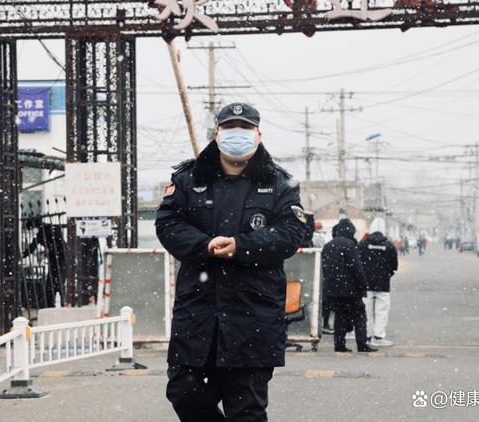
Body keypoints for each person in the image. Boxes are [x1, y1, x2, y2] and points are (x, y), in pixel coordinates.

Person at [156, 102, 307, 421]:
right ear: (217, 133)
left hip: (252, 316)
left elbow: (293, 232)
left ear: (258, 135)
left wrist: (241, 247)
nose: (237, 134)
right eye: (229, 128)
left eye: (245, 128)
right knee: (184, 394)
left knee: (246, 411)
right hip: (198, 315)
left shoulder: (279, 183)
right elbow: (168, 224)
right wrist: (204, 245)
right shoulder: (189, 178)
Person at [322, 218, 378, 353]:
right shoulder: (350, 245)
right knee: (359, 315)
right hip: (350, 289)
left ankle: (339, 345)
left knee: (340, 317)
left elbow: (324, 268)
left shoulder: (328, 245)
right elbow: (356, 268)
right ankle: (362, 344)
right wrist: (363, 285)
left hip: (333, 290)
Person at [358, 231, 398, 347]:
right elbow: (394, 265)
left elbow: (358, 262)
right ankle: (378, 336)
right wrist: (387, 273)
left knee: (366, 311)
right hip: (383, 284)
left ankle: (367, 335)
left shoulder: (363, 245)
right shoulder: (389, 246)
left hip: (366, 284)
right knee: (382, 311)